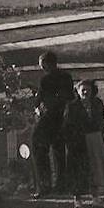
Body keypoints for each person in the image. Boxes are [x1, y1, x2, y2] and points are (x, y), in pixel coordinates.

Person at [62, 80, 104, 208]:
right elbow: (67, 127)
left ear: (92, 91)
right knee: (78, 173)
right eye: (82, 90)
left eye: (88, 90)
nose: (85, 92)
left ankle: (95, 198)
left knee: (94, 169)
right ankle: (77, 202)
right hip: (78, 144)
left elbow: (102, 121)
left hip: (94, 140)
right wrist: (72, 143)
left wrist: (102, 136)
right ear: (77, 91)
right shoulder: (72, 106)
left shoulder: (97, 103)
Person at [31, 52, 74, 197]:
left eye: (42, 64)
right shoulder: (67, 77)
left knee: (38, 147)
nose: (41, 67)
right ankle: (61, 185)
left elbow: (39, 101)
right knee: (59, 152)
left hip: (49, 119)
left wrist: (37, 104)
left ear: (47, 64)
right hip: (63, 119)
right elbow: (70, 98)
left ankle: (44, 185)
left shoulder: (46, 79)